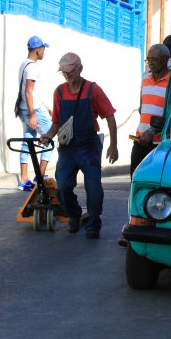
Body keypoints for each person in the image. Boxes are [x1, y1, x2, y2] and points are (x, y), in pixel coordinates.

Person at [39, 52, 118, 240]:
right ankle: (74, 214)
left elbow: (109, 116)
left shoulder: (93, 89)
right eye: (64, 72)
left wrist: (113, 145)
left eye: (70, 72)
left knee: (93, 187)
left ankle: (93, 224)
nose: (67, 75)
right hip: (67, 146)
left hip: (89, 145)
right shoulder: (59, 92)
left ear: (80, 69)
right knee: (63, 186)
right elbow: (56, 122)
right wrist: (48, 135)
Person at [16, 36, 53, 191]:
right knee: (50, 139)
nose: (44, 52)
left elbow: (31, 92)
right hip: (34, 110)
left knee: (28, 141)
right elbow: (28, 92)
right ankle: (40, 175)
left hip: (24, 109)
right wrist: (33, 115)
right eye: (43, 49)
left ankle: (24, 180)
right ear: (38, 50)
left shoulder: (24, 65)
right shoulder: (32, 68)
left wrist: (45, 106)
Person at [131, 44, 170, 178]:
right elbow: (142, 106)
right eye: (148, 59)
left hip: (158, 144)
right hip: (140, 139)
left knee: (152, 182)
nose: (151, 63)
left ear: (166, 59)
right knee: (135, 180)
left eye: (155, 59)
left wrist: (153, 131)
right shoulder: (145, 77)